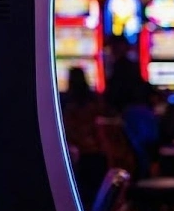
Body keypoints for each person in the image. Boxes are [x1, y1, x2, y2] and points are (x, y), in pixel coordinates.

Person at [104, 57, 160, 177]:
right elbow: (153, 142)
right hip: (142, 165)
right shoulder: (141, 113)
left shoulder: (123, 114)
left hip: (124, 169)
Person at [61, 67, 106, 202]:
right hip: (98, 152)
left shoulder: (68, 105)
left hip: (81, 154)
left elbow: (69, 132)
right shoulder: (95, 101)